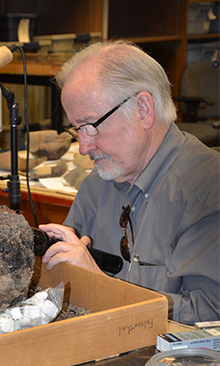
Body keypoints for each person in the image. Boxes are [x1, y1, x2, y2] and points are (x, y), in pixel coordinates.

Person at [39, 40, 220, 326]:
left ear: (143, 109)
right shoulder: (96, 186)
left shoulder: (207, 191)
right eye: (77, 129)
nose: (83, 148)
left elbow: (210, 317)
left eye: (91, 126)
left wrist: (103, 287)